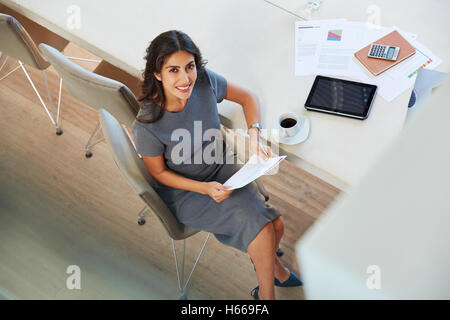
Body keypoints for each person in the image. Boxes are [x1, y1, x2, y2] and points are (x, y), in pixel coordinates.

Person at [132, 30, 302, 300]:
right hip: (187, 191)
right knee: (267, 229)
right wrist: (204, 188)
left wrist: (254, 138)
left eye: (190, 67)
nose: (185, 78)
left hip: (221, 168)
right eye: (173, 70)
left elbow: (248, 98)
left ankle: (273, 270)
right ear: (157, 74)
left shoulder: (204, 82)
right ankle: (267, 294)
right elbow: (159, 173)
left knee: (275, 227)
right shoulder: (147, 124)